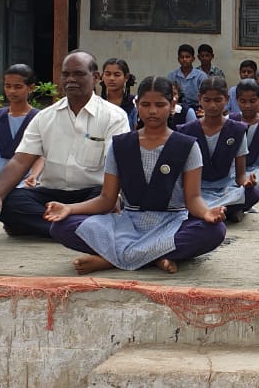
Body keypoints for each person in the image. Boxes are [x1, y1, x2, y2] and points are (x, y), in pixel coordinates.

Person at [45, 76, 227, 275]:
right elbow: (106, 199)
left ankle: (110, 260)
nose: (153, 111)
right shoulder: (120, 145)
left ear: (172, 104)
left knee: (214, 231)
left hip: (171, 223)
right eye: (146, 105)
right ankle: (155, 256)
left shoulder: (187, 145)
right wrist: (69, 208)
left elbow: (193, 198)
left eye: (160, 105)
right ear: (137, 104)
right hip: (127, 224)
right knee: (60, 226)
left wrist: (207, 213)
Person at [0, 51, 131, 238]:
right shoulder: (45, 117)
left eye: (78, 74)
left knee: (107, 202)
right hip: (50, 194)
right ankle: (77, 228)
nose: (71, 79)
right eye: (66, 74)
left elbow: (116, 165)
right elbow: (20, 161)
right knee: (10, 202)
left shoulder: (114, 117)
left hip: (92, 195)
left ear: (95, 78)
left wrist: (112, 198)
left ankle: (50, 226)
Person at [178, 76, 259, 223]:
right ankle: (224, 212)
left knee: (253, 193)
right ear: (199, 99)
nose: (212, 105)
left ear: (227, 99)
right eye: (207, 100)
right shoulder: (186, 131)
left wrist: (246, 183)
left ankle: (206, 213)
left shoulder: (237, 130)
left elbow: (240, 176)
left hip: (226, 189)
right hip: (197, 191)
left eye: (217, 100)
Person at [0, 64, 42, 207]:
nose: (12, 91)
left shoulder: (40, 118)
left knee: (25, 192)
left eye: (18, 87)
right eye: (8, 86)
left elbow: (42, 155)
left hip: (25, 178)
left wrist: (34, 176)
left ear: (31, 88)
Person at [168, 44, 208, 111]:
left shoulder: (201, 76)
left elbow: (205, 96)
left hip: (197, 109)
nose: (184, 59)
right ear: (178, 59)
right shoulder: (172, 76)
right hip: (177, 109)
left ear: (193, 59)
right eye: (182, 57)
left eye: (187, 57)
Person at [100, 58, 137, 129]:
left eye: (117, 75)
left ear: (126, 77)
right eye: (107, 74)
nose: (111, 78)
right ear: (102, 76)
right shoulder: (98, 103)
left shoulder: (134, 103)